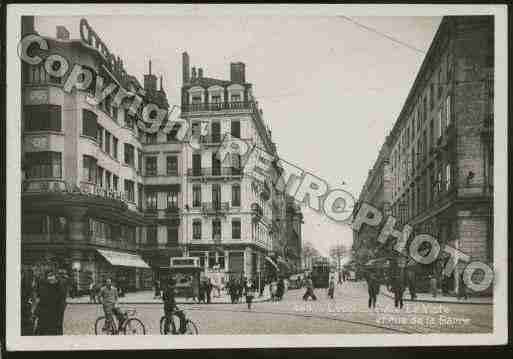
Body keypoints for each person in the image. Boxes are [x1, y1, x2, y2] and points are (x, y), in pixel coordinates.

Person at [34, 271, 66, 335]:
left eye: (52, 279)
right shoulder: (44, 288)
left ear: (56, 279)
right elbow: (40, 301)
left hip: (55, 317)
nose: (51, 281)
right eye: (49, 279)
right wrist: (37, 312)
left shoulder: (59, 288)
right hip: (44, 317)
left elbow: (62, 304)